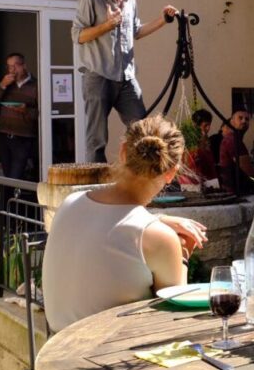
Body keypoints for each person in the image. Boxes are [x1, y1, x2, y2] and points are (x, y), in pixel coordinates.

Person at [42, 116, 208, 331]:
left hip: (56, 344)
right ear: (171, 173)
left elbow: (107, 222)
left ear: (122, 152)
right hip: (111, 350)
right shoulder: (156, 238)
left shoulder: (70, 203)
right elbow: (173, 321)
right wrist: (183, 254)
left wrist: (158, 220)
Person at [72, 0, 178, 162]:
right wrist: (107, 25)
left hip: (126, 78)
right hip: (98, 76)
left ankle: (141, 174)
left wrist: (163, 20)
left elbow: (135, 31)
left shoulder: (130, 0)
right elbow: (78, 35)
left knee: (143, 130)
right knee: (97, 139)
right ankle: (97, 179)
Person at [0, 53, 37, 181]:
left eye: (16, 66)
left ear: (24, 66)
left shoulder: (36, 85)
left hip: (23, 137)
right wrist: (2, 85)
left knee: (15, 177)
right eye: (9, 66)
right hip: (4, 135)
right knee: (7, 175)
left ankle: (13, 194)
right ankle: (12, 194)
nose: (12, 70)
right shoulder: (6, 84)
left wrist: (26, 110)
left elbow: (43, 113)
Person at [219, 110, 254, 195]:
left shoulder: (234, 139)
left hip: (236, 190)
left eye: (247, 119)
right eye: (240, 118)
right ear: (232, 122)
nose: (244, 121)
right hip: (236, 193)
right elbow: (248, 171)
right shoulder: (233, 140)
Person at [185, 108, 217, 182]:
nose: (208, 128)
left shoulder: (206, 139)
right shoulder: (191, 141)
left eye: (209, 125)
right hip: (196, 180)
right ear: (196, 125)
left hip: (210, 179)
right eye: (205, 125)